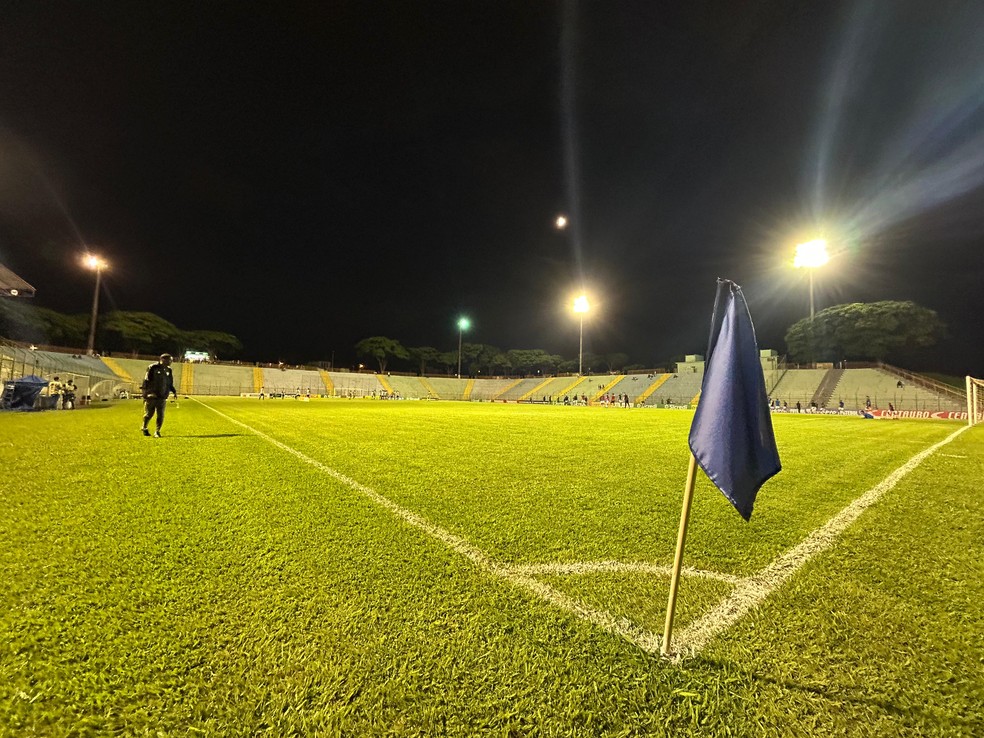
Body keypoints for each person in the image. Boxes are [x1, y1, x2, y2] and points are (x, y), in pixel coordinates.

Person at [141, 353, 177, 437]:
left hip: (162, 396)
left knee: (161, 414)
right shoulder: (153, 367)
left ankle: (157, 431)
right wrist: (146, 394)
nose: (170, 362)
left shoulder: (169, 370)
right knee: (149, 414)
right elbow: (146, 381)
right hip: (152, 395)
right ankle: (144, 427)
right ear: (163, 359)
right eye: (169, 360)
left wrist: (173, 391)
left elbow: (169, 382)